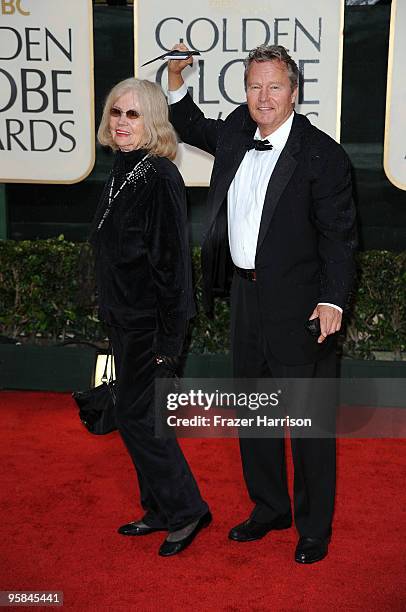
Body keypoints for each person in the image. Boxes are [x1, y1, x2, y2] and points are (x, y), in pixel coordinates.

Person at [168, 44, 357, 563]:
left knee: (309, 424)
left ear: (294, 92)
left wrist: (332, 301)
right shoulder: (234, 131)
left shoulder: (323, 154)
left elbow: (340, 237)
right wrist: (175, 79)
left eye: (275, 86)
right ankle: (271, 507)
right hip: (245, 296)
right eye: (255, 86)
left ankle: (314, 528)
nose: (264, 96)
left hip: (301, 305)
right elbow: (191, 125)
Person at [90, 77, 211, 557]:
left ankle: (187, 510)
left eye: (133, 114)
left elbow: (173, 265)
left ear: (154, 122)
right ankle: (161, 508)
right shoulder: (123, 170)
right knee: (142, 416)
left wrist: (169, 340)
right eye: (117, 112)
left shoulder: (159, 176)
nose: (121, 122)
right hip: (125, 319)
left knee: (137, 417)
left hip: (149, 324)